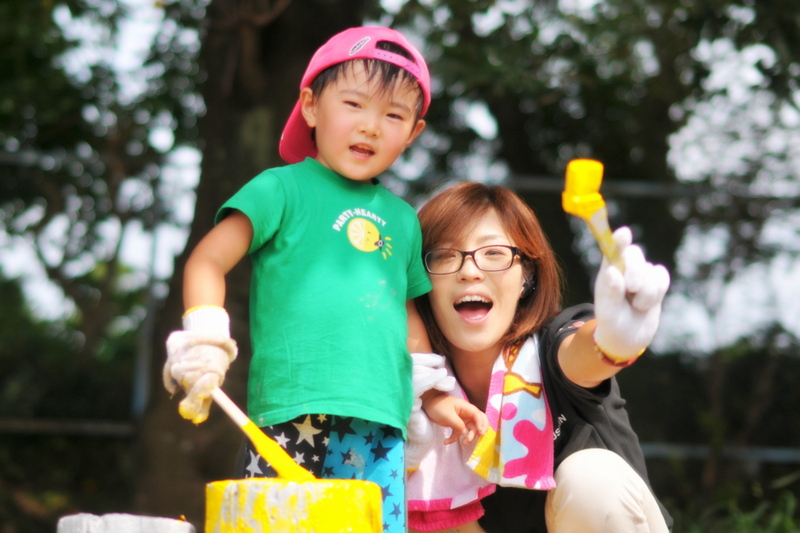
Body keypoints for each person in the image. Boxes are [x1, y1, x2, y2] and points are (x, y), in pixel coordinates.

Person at [161, 26, 456, 533]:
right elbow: (205, 263)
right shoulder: (281, 188)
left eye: (393, 115)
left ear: (414, 132)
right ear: (311, 106)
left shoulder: (405, 220)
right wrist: (206, 338)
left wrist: (432, 395)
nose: (370, 127)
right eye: (354, 104)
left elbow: (404, 314)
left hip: (381, 425)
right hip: (288, 412)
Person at [405, 182, 673, 532]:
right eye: (443, 255)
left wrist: (614, 341)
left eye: (494, 253)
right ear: (421, 282)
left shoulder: (550, 345)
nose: (469, 270)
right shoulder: (412, 384)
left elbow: (583, 355)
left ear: (526, 275)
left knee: (591, 479)